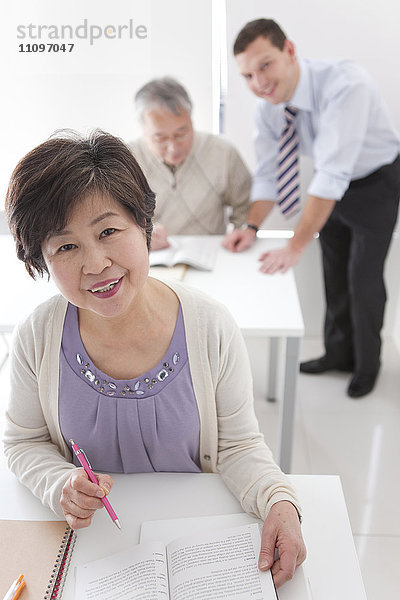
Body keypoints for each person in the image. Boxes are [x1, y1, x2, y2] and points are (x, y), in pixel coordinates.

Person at [3, 130, 305, 587]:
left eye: (108, 231)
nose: (96, 263)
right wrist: (58, 483)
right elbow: (23, 443)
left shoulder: (210, 326)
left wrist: (279, 502)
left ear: (144, 226)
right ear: (42, 261)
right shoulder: (37, 337)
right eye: (66, 247)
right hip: (88, 552)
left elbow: (238, 446)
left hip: (198, 545)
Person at [223, 18, 400, 399]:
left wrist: (294, 246)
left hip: (375, 181)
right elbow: (269, 175)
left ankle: (368, 365)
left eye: (265, 65)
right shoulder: (268, 107)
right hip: (329, 185)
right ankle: (338, 354)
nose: (259, 83)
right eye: (247, 75)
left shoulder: (345, 85)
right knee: (333, 270)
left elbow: (334, 173)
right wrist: (251, 227)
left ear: (289, 50)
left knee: (363, 278)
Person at [130, 77, 251, 249]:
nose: (173, 148)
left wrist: (240, 232)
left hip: (213, 255)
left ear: (191, 120)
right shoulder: (127, 161)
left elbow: (246, 204)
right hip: (149, 259)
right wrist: (140, 236)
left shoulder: (223, 152)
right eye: (161, 138)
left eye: (181, 133)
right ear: (144, 130)